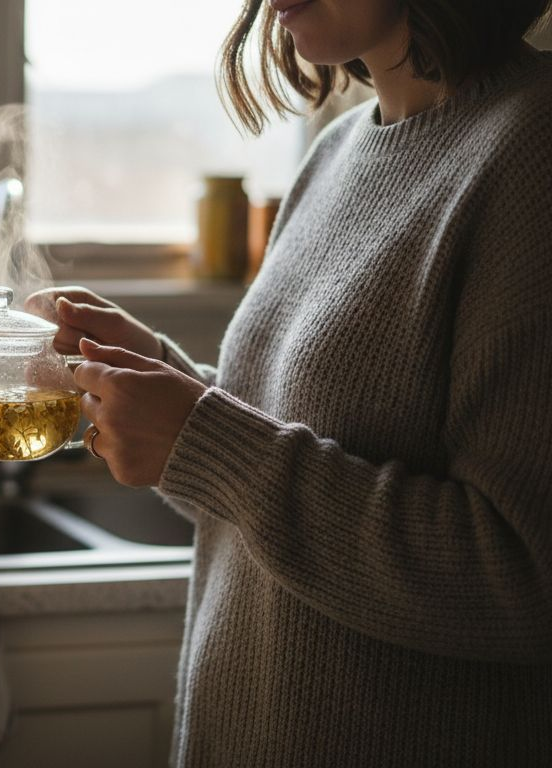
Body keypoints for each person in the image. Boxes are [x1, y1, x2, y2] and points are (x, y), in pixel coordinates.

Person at [29, 0, 552, 764]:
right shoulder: (338, 149)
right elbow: (290, 447)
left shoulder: (532, 155)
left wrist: (201, 435)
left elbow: (523, 580)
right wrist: (165, 382)